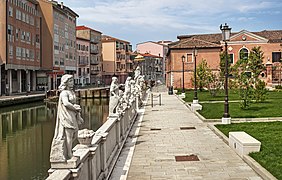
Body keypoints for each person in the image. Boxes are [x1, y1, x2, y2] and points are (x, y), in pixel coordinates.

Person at [50, 74, 84, 162]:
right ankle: (69, 153)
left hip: (73, 114)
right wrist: (75, 107)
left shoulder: (71, 92)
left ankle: (68, 149)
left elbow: (73, 103)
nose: (72, 83)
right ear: (66, 83)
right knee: (69, 134)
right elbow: (66, 103)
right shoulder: (64, 93)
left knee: (75, 134)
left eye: (72, 81)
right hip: (67, 115)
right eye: (70, 81)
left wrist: (78, 114)